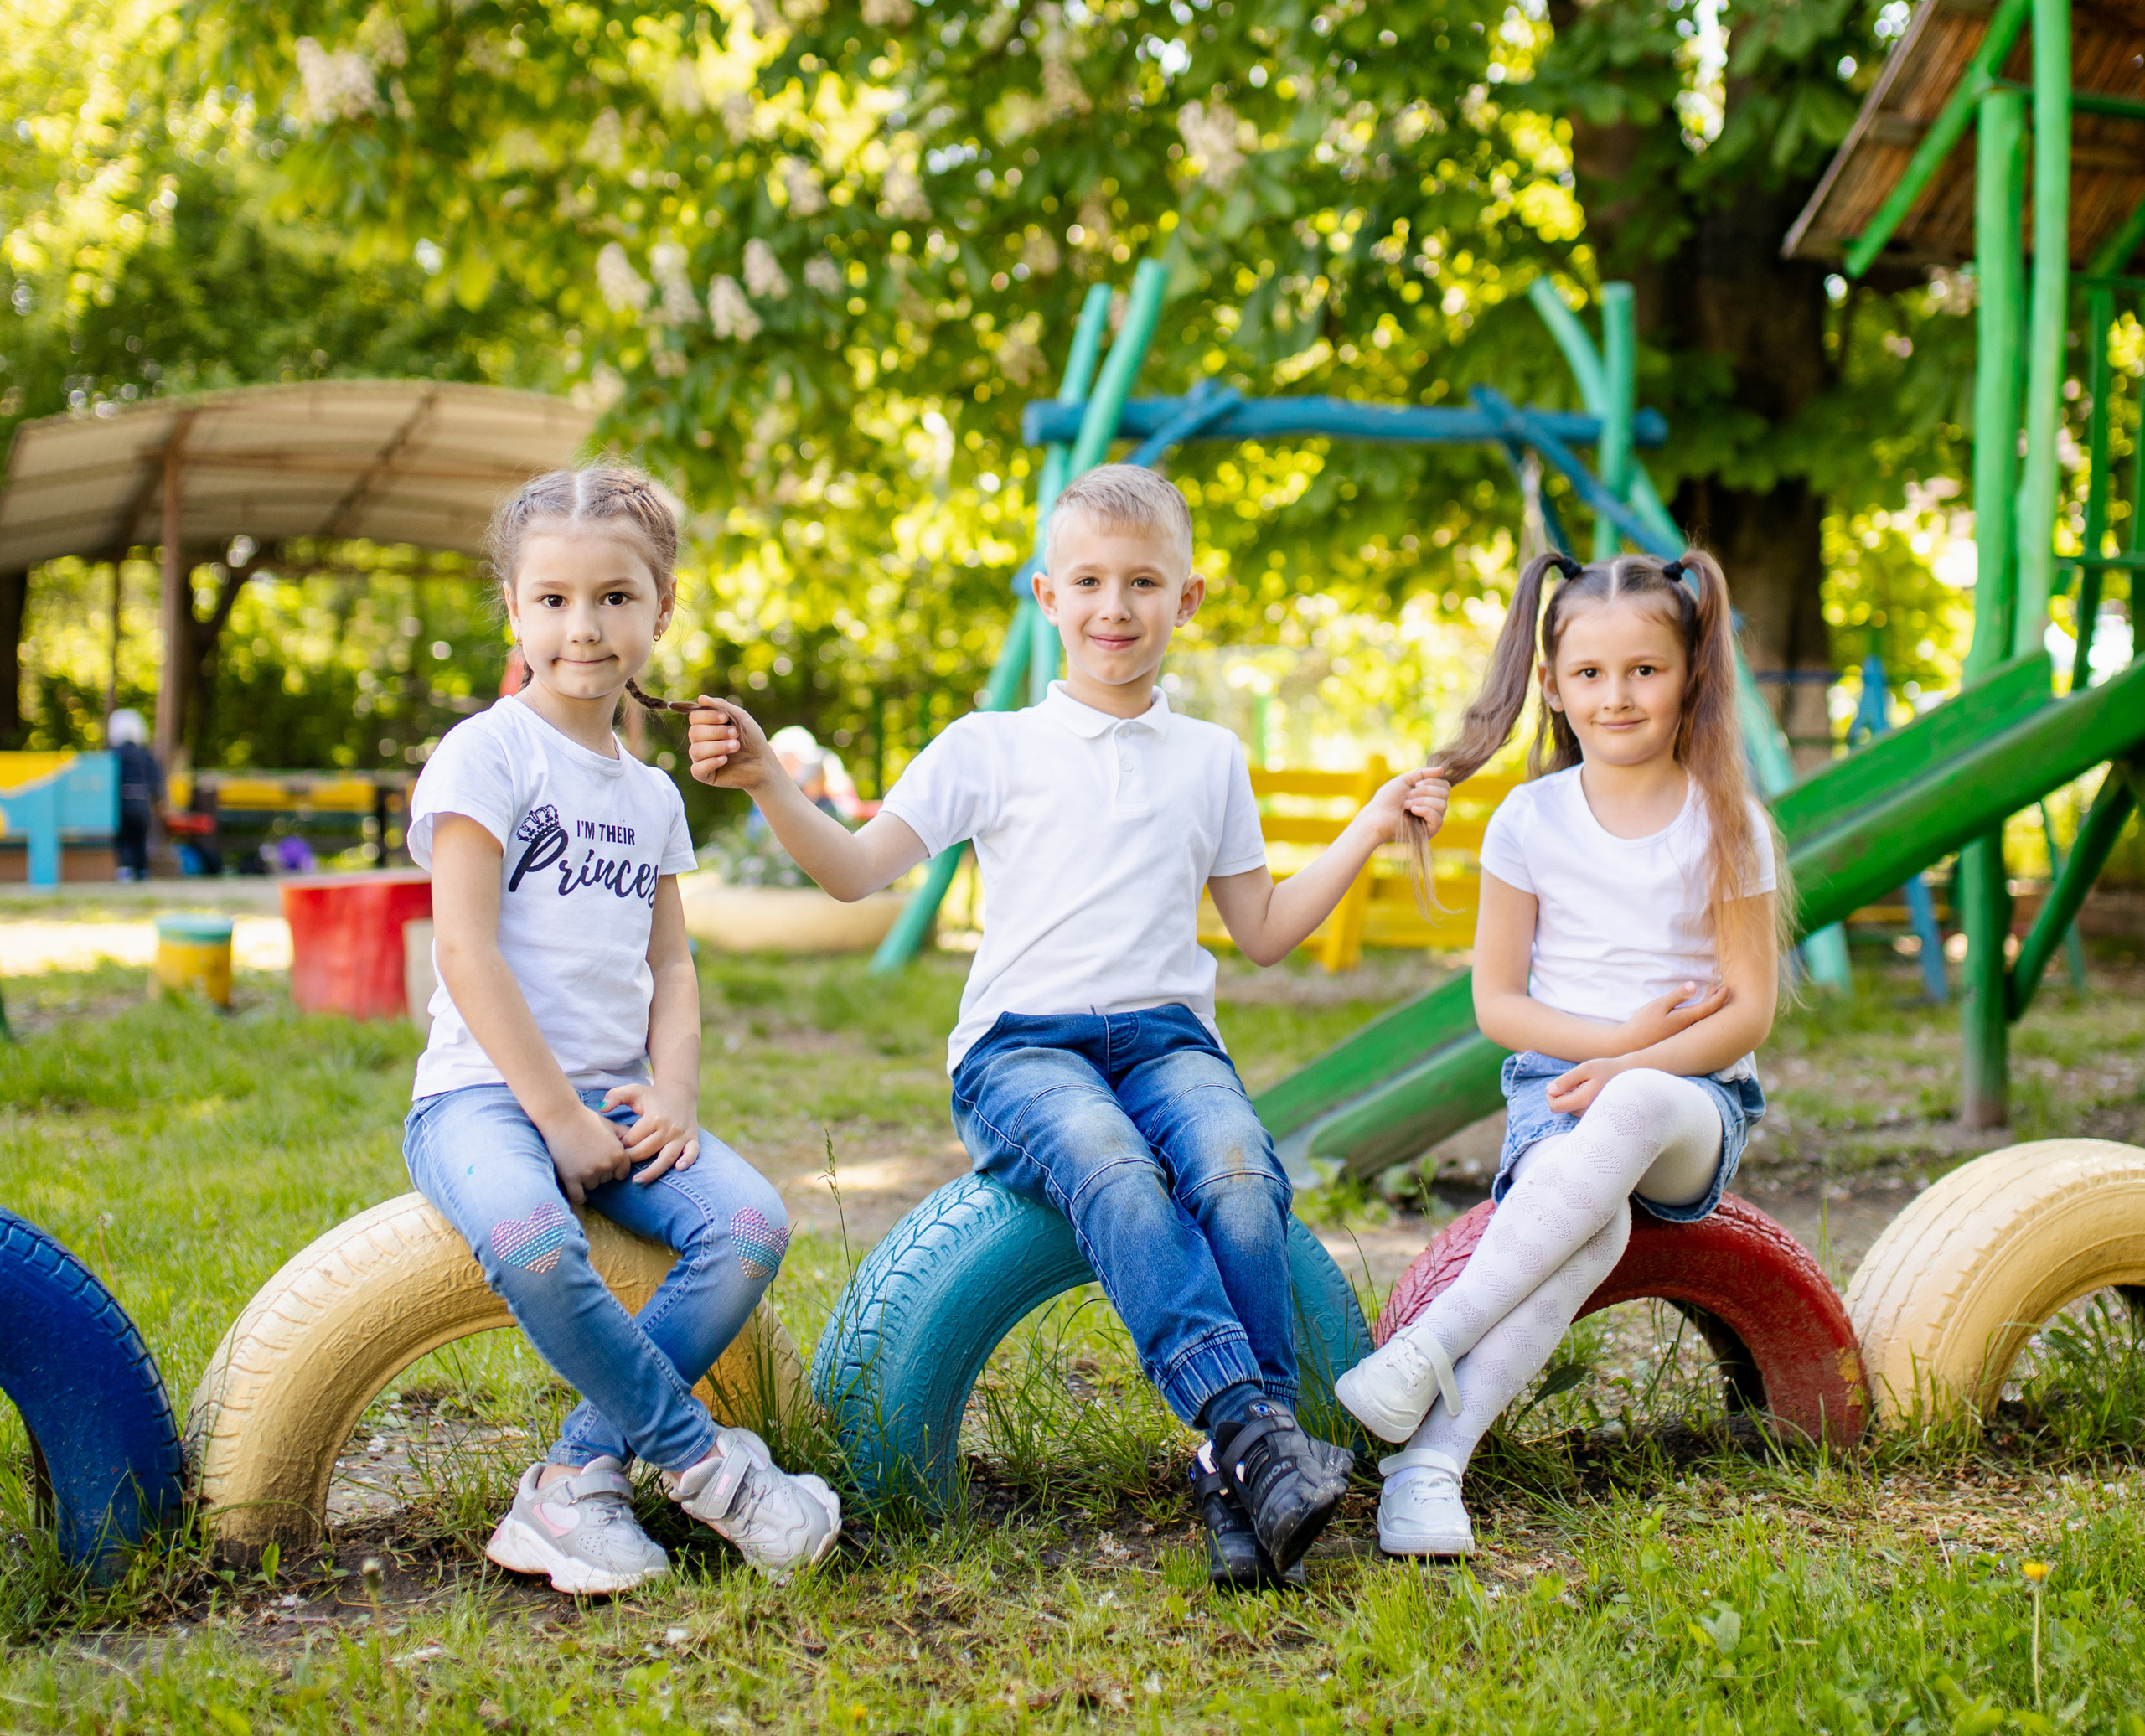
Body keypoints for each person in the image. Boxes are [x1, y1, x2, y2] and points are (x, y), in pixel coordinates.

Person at [686, 465, 1451, 1589]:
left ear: (1187, 599)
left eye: (1144, 582)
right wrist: (765, 780)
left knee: (1241, 1176)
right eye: (1089, 581)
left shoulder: (1210, 760)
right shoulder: (988, 746)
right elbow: (854, 870)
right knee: (1119, 1175)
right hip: (1023, 1051)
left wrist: (1371, 824)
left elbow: (1267, 928)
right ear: (1046, 596)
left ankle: (1233, 1472)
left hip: (1169, 1044)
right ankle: (1253, 1432)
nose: (1115, 607)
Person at [403, 464, 840, 1595]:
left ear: (661, 609)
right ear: (513, 611)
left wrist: (674, 1094)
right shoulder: (486, 754)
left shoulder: (648, 796)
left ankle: (572, 1480)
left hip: (610, 1097)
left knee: (748, 1226)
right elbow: (464, 949)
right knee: (540, 1246)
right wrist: (552, 1116)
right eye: (551, 599)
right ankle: (705, 1469)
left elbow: (671, 964)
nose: (583, 627)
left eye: (614, 597)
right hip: (481, 1098)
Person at [1333, 549, 1787, 1558]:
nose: (1616, 695)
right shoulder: (1527, 819)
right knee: (1592, 1239)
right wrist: (1617, 1041)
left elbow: (1747, 1010)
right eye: (1589, 673)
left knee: (1631, 1108)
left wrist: (1641, 1063)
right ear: (1550, 684)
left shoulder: (1727, 821)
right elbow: (1499, 1005)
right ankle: (1424, 1471)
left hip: (1691, 1098)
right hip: (1558, 1090)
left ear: (1690, 676)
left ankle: (1427, 1347)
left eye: (1644, 670)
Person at [107, 709, 163, 881]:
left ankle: (124, 869)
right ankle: (142, 870)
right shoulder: (145, 756)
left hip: (121, 805)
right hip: (141, 804)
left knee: (123, 838)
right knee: (140, 838)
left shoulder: (113, 755)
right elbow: (156, 784)